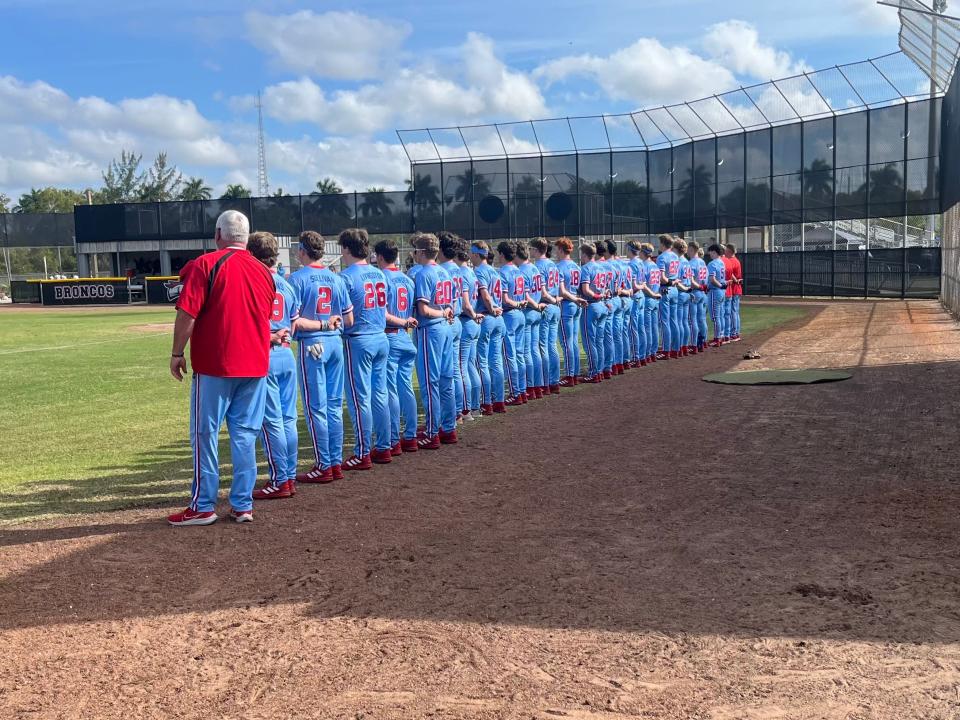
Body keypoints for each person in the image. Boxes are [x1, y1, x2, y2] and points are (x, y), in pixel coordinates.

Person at [167, 209, 275, 526]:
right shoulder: (264, 272)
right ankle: (242, 504)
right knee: (244, 436)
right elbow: (265, 316)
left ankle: (203, 505)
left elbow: (187, 313)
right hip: (255, 365)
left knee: (205, 434)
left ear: (218, 235)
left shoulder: (205, 264)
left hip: (216, 364)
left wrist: (176, 352)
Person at [289, 231, 349, 484]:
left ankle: (324, 464)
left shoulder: (296, 279)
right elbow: (349, 319)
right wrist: (329, 324)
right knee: (334, 405)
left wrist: (322, 324)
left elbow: (295, 322)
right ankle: (334, 462)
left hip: (314, 344)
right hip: (336, 343)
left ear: (302, 250)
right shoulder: (336, 278)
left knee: (317, 408)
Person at [246, 231, 299, 500]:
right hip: (287, 353)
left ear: (251, 254)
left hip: (265, 353)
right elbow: (294, 322)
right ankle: (288, 476)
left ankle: (280, 480)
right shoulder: (287, 283)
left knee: (271, 422)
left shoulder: (254, 280)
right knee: (288, 419)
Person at [339, 228, 392, 470]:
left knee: (360, 399)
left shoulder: (346, 276)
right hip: (381, 337)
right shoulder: (380, 274)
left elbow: (343, 315)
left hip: (359, 339)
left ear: (347, 249)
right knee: (379, 395)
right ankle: (383, 446)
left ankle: (362, 452)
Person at [412, 232, 457, 448]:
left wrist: (441, 314)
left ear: (421, 252)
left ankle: (432, 432)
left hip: (431, 330)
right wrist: (446, 313)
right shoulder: (445, 272)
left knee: (431, 382)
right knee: (446, 380)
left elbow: (424, 310)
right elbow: (453, 305)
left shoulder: (423, 273)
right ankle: (448, 428)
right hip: (446, 329)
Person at [375, 239, 419, 454]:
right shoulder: (407, 278)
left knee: (390, 390)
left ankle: (393, 439)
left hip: (391, 335)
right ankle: (410, 435)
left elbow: (381, 313)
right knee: (406, 388)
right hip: (405, 337)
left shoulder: (381, 277)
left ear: (380, 256)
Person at [471, 241, 507, 414]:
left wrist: (491, 308)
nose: (470, 256)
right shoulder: (494, 270)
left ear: (477, 254)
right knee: (496, 361)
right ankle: (499, 400)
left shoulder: (479, 271)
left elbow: (485, 296)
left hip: (487, 316)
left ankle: (486, 403)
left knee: (483, 362)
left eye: (471, 253)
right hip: (499, 318)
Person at [438, 232, 467, 424]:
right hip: (456, 319)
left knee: (442, 374)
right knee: (454, 370)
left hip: (443, 321)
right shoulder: (457, 269)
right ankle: (458, 411)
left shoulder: (441, 270)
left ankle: (447, 416)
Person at [456, 243, 484, 418]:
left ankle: (466, 410)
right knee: (471, 366)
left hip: (467, 321)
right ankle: (475, 406)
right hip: (474, 323)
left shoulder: (462, 273)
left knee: (461, 367)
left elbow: (466, 305)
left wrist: (473, 314)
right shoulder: (472, 273)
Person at [530, 237, 561, 394]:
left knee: (543, 346)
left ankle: (546, 383)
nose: (530, 252)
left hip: (546, 305)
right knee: (551, 345)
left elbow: (542, 292)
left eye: (531, 249)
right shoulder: (553, 265)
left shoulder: (539, 266)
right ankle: (554, 381)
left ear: (536, 250)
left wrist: (551, 300)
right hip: (555, 306)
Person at [498, 241, 527, 405]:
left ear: (502, 254)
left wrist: (515, 303)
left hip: (510, 314)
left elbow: (505, 299)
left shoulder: (503, 272)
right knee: (519, 354)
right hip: (520, 314)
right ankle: (521, 391)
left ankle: (516, 393)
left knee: (510, 356)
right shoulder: (519, 270)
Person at [554, 237, 586, 386]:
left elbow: (562, 291)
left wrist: (572, 299)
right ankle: (575, 372)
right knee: (573, 341)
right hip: (576, 304)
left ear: (561, 249)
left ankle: (569, 374)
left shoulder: (560, 267)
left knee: (566, 342)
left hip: (567, 304)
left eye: (556, 249)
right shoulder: (576, 266)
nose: (555, 252)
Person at [516, 242, 546, 399]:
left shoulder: (522, 270)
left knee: (527, 351)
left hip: (529, 311)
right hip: (536, 310)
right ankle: (538, 386)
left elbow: (526, 296)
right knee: (535, 350)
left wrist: (535, 306)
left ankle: (530, 386)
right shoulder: (534, 268)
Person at [577, 241, 607, 384]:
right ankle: (599, 371)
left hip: (592, 305)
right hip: (602, 306)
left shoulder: (586, 268)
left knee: (590, 342)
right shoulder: (601, 268)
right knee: (599, 341)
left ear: (584, 254)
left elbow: (586, 290)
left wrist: (596, 296)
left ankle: (593, 372)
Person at [656, 234, 681, 359]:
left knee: (664, 321)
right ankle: (675, 349)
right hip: (675, 289)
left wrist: (669, 282)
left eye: (659, 242)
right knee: (673, 320)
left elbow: (662, 278)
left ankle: (666, 351)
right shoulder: (676, 256)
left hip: (665, 288)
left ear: (663, 243)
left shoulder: (662, 257)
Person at [593, 240, 615, 379]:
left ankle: (597, 370)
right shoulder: (611, 265)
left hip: (599, 302)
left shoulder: (595, 266)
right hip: (611, 300)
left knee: (597, 340)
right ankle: (609, 367)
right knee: (608, 337)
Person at [626, 240, 648, 367]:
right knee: (640, 328)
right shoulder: (641, 262)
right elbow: (642, 283)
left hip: (635, 296)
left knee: (633, 328)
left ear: (630, 249)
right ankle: (642, 356)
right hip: (641, 296)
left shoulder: (632, 263)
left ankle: (636, 357)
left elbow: (634, 286)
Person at [641, 244, 662, 364]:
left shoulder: (644, 266)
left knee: (647, 328)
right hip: (655, 298)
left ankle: (648, 353)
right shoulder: (655, 265)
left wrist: (653, 294)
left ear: (642, 253)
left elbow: (643, 286)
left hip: (649, 298)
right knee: (654, 328)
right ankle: (653, 352)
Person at [687, 242, 709, 353]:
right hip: (703, 293)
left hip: (695, 292)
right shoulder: (702, 262)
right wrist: (702, 286)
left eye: (688, 249)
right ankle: (703, 342)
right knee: (701, 319)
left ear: (691, 249)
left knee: (692, 320)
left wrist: (699, 286)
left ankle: (694, 344)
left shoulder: (691, 263)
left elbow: (690, 282)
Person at [673, 238, 693, 357]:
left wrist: (684, 288)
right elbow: (690, 278)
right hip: (687, 292)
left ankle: (679, 347)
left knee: (679, 322)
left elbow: (677, 280)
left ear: (676, 249)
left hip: (681, 292)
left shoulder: (678, 262)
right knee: (685, 322)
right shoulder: (687, 261)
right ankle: (685, 346)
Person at [707, 243, 729, 347]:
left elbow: (712, 279)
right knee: (720, 316)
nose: (710, 254)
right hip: (721, 292)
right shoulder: (721, 262)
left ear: (714, 252)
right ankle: (721, 335)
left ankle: (717, 338)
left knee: (715, 317)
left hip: (715, 291)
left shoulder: (712, 263)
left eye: (710, 252)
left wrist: (719, 285)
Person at [724, 243, 743, 342]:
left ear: (729, 251)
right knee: (735, 312)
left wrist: (734, 280)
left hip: (734, 288)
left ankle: (733, 333)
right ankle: (736, 332)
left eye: (726, 250)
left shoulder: (730, 260)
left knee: (732, 312)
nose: (724, 252)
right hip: (737, 288)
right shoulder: (736, 260)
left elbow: (729, 273)